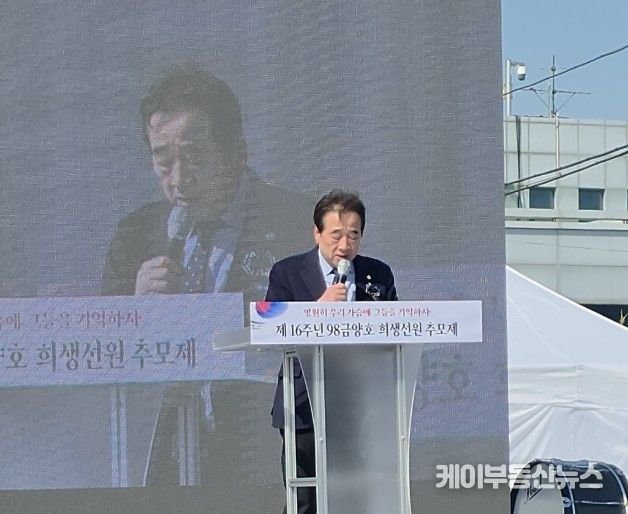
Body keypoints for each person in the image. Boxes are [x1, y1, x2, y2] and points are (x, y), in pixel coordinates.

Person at [101, 66, 311, 489]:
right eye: (163, 161)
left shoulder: (301, 225)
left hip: (270, 455)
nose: (178, 179)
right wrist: (132, 310)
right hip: (167, 466)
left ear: (235, 150)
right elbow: (103, 356)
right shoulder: (135, 236)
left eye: (194, 156)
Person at [265, 190, 398, 514]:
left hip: (361, 404)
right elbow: (269, 327)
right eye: (336, 235)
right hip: (304, 401)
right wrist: (316, 310)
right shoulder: (287, 272)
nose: (345, 245)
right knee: (305, 498)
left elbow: (395, 326)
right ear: (317, 233)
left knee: (358, 496)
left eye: (354, 235)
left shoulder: (378, 274)